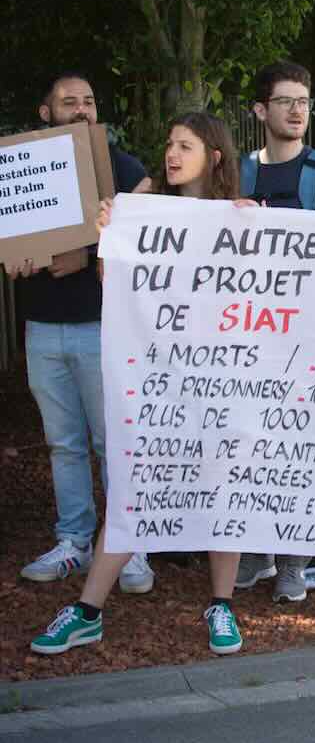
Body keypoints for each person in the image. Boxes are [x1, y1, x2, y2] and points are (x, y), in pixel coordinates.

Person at [32, 112, 251, 656]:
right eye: (170, 144)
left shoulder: (239, 214)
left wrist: (258, 231)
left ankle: (221, 605)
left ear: (214, 157)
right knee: (134, 489)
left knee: (223, 491)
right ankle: (87, 611)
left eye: (186, 145)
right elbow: (114, 282)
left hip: (219, 381)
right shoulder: (143, 205)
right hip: (157, 381)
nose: (172, 154)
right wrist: (111, 236)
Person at [8, 72, 153, 594]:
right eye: (69, 102)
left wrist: (87, 253)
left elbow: (148, 237)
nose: (82, 109)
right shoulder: (21, 169)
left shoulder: (124, 168)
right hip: (42, 328)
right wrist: (19, 258)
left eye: (89, 101)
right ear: (46, 113)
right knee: (63, 444)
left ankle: (129, 545)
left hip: (103, 328)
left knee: (113, 442)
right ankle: (74, 540)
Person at [234, 60, 315, 603]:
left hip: (309, 335)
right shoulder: (238, 172)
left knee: (302, 446)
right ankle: (257, 551)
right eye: (284, 101)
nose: (297, 109)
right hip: (251, 335)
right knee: (252, 444)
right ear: (260, 110)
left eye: (303, 100)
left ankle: (294, 561)